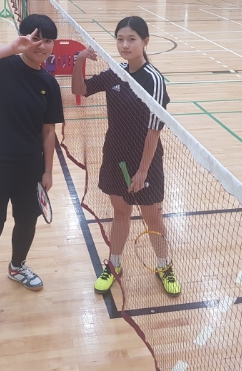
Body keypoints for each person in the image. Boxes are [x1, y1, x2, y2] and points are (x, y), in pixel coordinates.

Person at [0, 14, 65, 336]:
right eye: (36, 38)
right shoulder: (2, 66)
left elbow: (48, 131)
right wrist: (11, 48)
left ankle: (17, 267)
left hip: (29, 166)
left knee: (27, 221)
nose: (42, 46)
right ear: (24, 38)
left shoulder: (49, 84)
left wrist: (47, 170)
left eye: (48, 40)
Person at [71, 16, 181, 297]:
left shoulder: (153, 80)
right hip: (114, 156)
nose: (124, 45)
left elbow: (154, 130)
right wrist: (79, 59)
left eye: (132, 39)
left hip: (145, 160)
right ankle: (114, 264)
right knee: (120, 213)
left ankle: (164, 266)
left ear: (145, 42)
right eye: (120, 39)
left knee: (152, 216)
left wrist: (142, 171)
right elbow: (79, 90)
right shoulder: (116, 72)